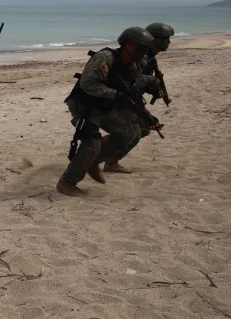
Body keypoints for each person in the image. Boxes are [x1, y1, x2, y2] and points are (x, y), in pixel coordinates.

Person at [57, 27, 156, 197]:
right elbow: (88, 85)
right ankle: (67, 183)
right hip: (84, 107)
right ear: (129, 45)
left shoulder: (130, 64)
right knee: (92, 143)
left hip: (104, 106)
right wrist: (117, 95)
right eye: (142, 47)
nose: (144, 52)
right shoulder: (105, 58)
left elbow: (134, 83)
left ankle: (92, 162)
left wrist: (151, 84)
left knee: (131, 132)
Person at [103, 23, 175, 173]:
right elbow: (132, 80)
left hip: (130, 98)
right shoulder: (140, 56)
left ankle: (110, 160)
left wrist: (153, 89)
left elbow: (140, 83)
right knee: (132, 132)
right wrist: (151, 81)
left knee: (142, 130)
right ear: (156, 40)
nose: (169, 42)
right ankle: (98, 152)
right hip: (117, 99)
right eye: (166, 39)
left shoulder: (150, 58)